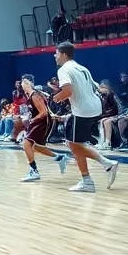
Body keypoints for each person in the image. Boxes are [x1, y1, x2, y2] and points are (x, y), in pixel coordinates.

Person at [52, 42, 118, 192]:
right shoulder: (82, 68)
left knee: (74, 144)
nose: (54, 56)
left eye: (56, 53)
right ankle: (87, 180)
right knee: (74, 144)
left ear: (63, 54)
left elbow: (67, 91)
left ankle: (106, 164)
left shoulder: (63, 70)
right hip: (94, 107)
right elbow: (97, 88)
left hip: (82, 110)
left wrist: (56, 98)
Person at [18, 76, 69, 182]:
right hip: (40, 121)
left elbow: (43, 113)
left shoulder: (35, 96)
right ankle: (59, 157)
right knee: (36, 147)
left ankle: (34, 171)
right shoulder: (31, 95)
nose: (21, 85)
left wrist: (32, 120)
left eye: (23, 82)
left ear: (28, 84)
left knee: (26, 144)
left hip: (42, 122)